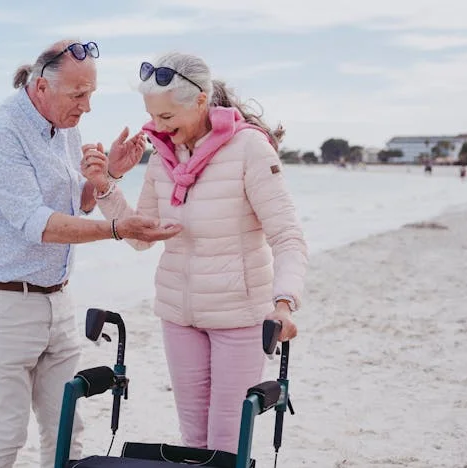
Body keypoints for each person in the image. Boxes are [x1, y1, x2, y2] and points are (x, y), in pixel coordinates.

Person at [0, 40, 182, 468]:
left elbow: (73, 207)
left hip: (57, 300)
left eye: (91, 94)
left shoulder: (67, 129)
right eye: (78, 95)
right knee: (5, 433)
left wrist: (112, 172)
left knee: (66, 428)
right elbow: (37, 223)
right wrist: (117, 229)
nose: (87, 107)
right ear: (41, 87)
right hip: (3, 305)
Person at [81, 52, 308, 454]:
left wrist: (285, 303)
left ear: (201, 101)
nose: (159, 129)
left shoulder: (250, 149)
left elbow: (287, 236)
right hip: (178, 316)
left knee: (225, 443)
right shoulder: (162, 157)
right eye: (154, 117)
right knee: (192, 443)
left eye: (168, 118)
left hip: (238, 317)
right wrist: (105, 184)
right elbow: (139, 236)